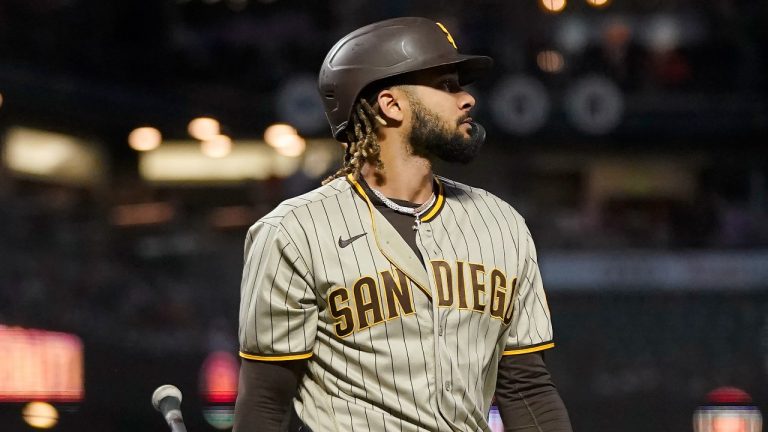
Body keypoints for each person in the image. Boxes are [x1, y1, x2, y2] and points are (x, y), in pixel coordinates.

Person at [234, 17, 572, 432]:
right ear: (391, 105)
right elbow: (266, 402)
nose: (467, 98)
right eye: (446, 85)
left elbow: (526, 389)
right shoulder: (293, 232)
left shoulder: (501, 223)